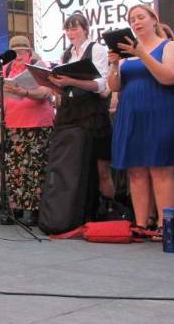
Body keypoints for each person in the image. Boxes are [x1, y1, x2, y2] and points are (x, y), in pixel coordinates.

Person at [108, 4, 174, 236]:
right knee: (136, 170)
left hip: (162, 111)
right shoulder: (127, 55)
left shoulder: (170, 46)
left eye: (140, 17)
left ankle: (165, 225)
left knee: (161, 168)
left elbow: (169, 77)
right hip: (132, 114)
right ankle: (141, 224)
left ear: (154, 19)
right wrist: (115, 63)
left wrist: (141, 54)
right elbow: (114, 86)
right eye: (132, 19)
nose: (136, 22)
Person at [48, 13, 114, 220]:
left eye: (75, 28)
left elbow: (100, 85)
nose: (71, 33)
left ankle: (107, 210)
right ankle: (78, 212)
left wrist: (71, 80)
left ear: (85, 29)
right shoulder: (67, 55)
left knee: (100, 166)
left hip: (92, 112)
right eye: (68, 29)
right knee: (74, 165)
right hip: (69, 112)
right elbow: (63, 85)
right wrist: (52, 83)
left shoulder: (97, 49)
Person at [0, 36, 55, 226]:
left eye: (21, 51)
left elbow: (46, 92)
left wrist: (24, 92)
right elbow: (2, 100)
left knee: (34, 169)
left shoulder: (38, 65)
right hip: (13, 124)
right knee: (15, 169)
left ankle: (33, 210)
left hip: (36, 123)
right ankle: (16, 208)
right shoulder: (6, 69)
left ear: (29, 51)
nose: (18, 55)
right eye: (14, 52)